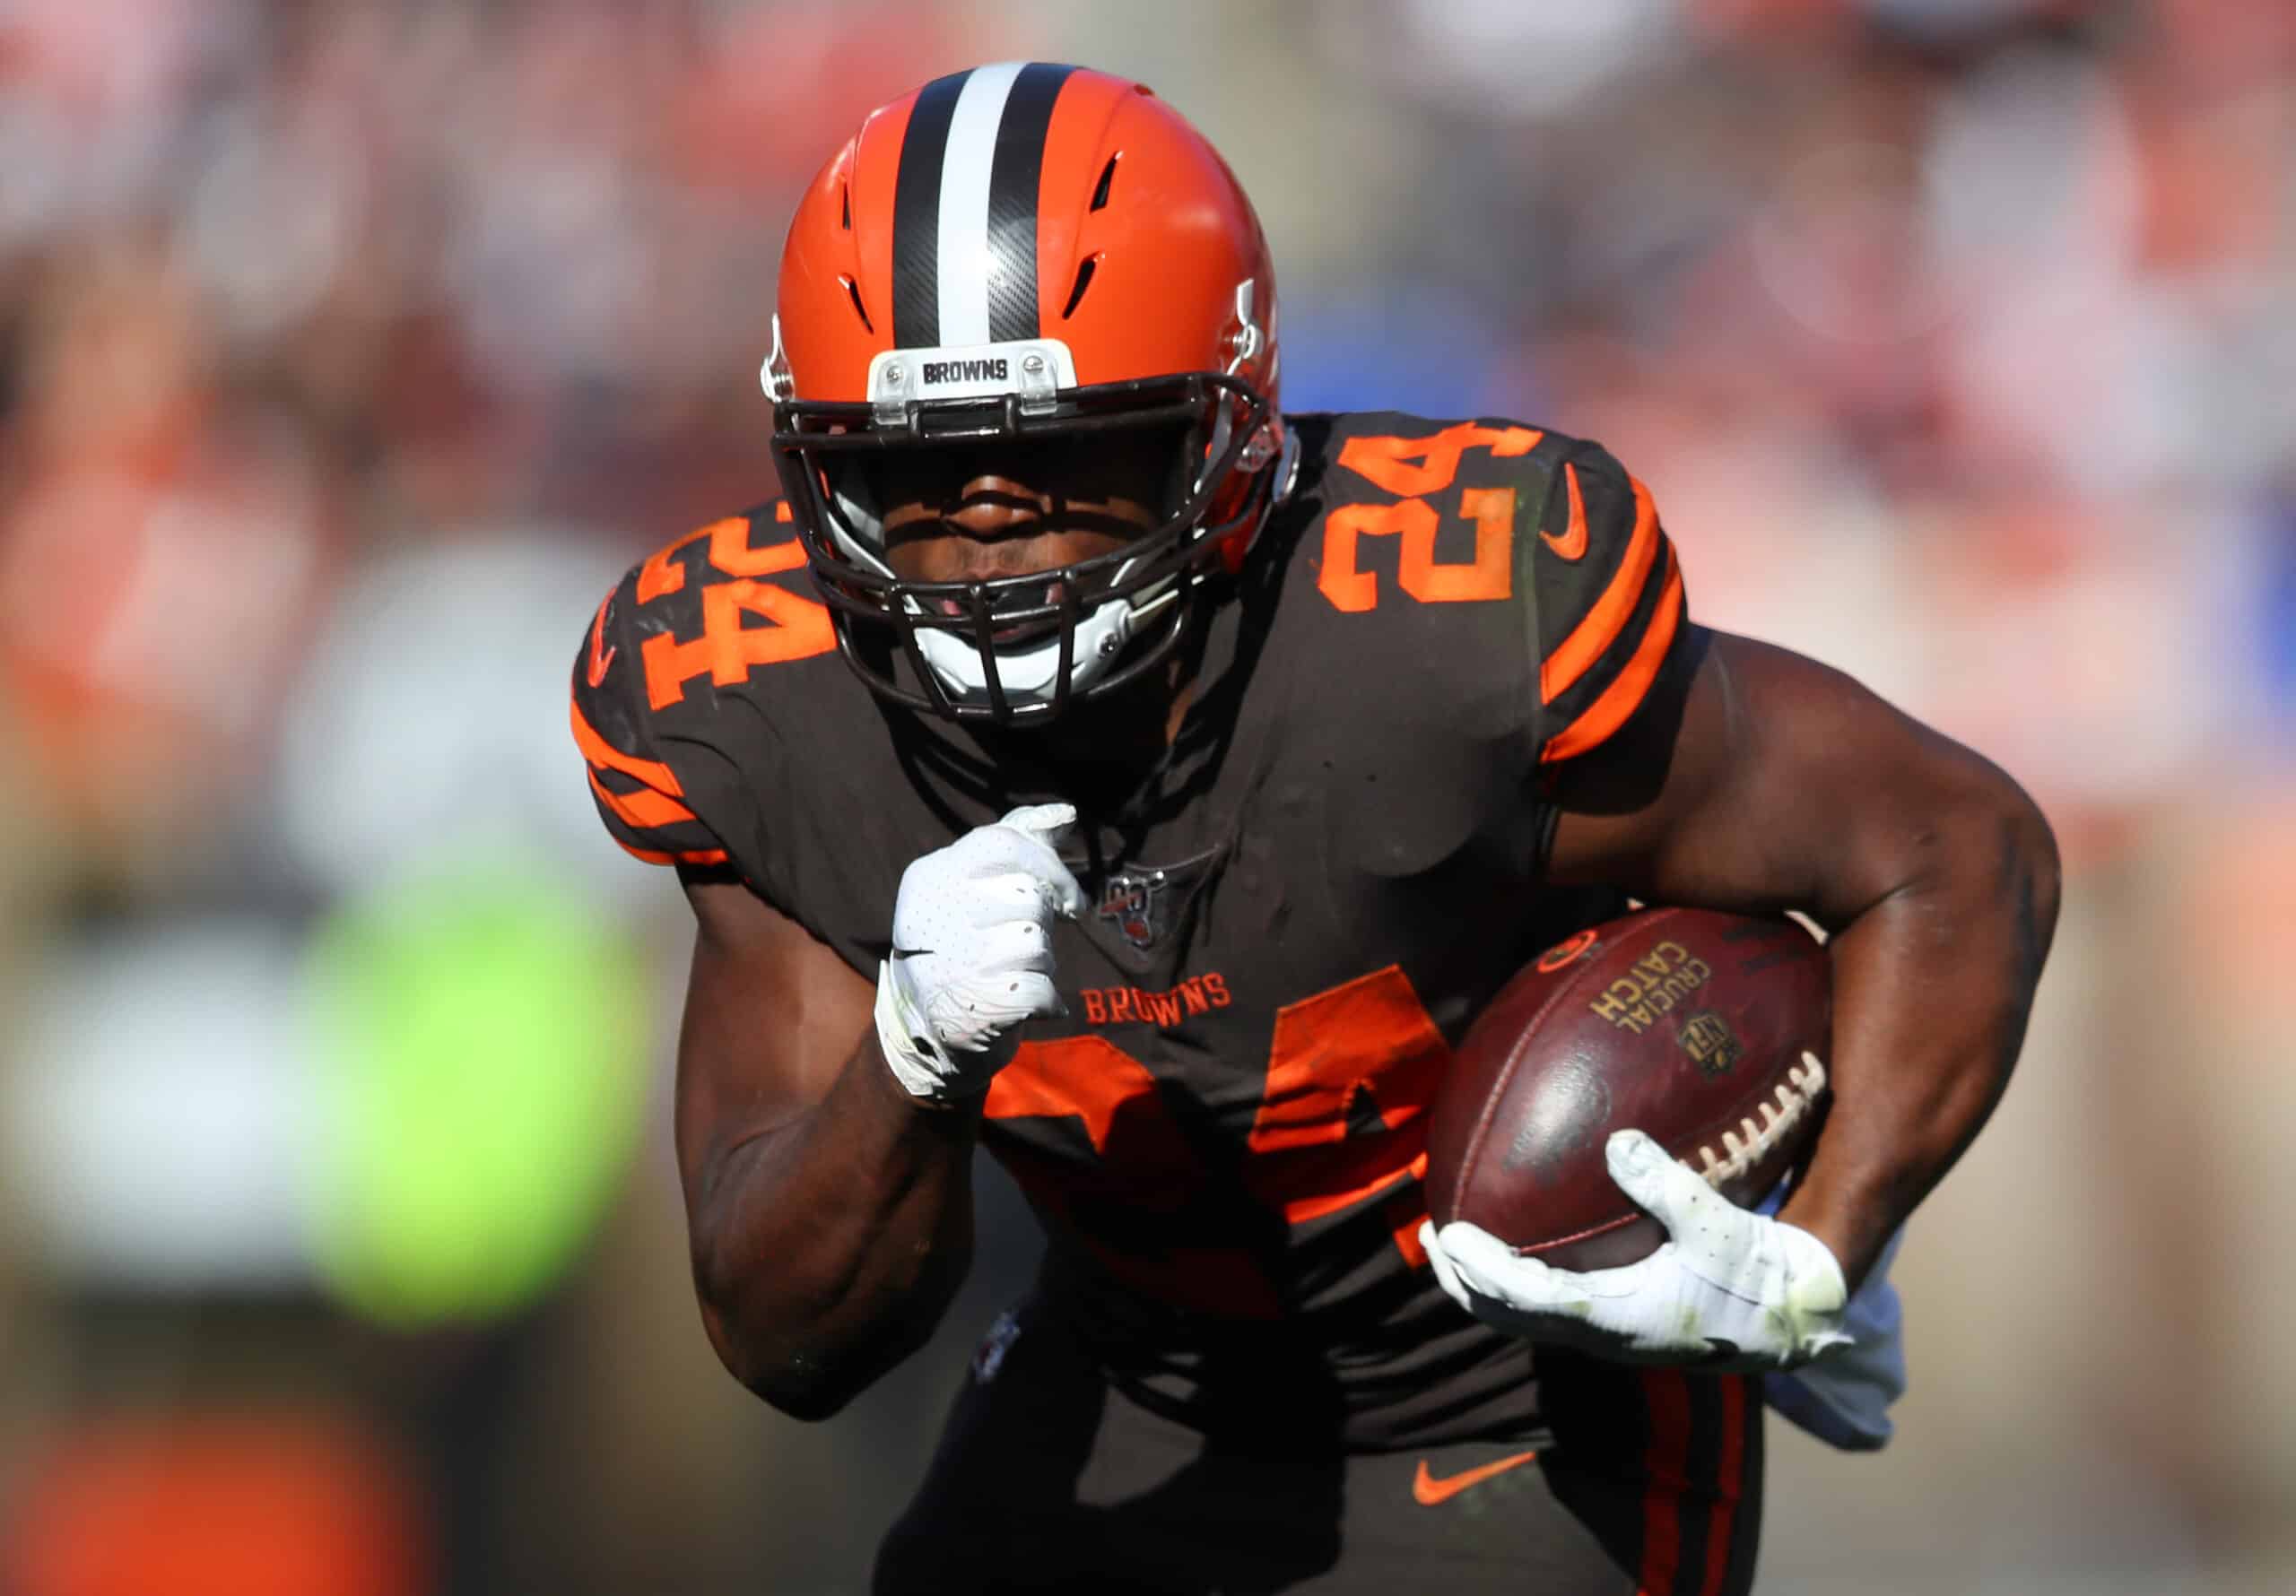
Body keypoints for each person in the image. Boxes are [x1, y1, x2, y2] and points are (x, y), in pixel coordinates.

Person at [570, 63, 2058, 1595]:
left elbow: (1949, 843)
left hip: (1523, 1396)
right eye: (917, 474)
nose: (990, 533)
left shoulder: (1435, 624)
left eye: (1069, 455)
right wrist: (910, 1060)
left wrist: (1825, 1239)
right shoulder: (756, 703)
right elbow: (784, 1332)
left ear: (1226, 442)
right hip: (1141, 1377)